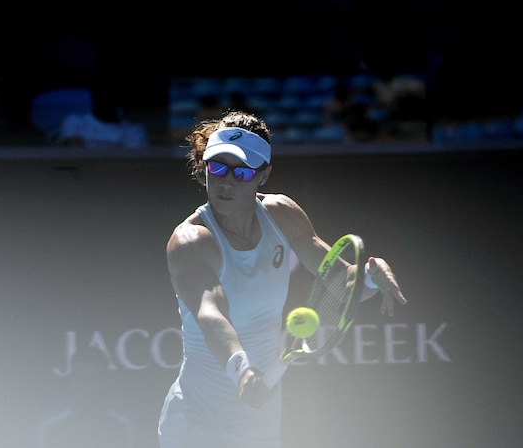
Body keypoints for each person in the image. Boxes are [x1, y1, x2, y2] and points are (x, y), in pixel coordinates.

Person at [157, 110, 407, 448]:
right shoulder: (191, 240)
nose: (226, 181)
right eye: (216, 167)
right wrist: (242, 371)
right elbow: (210, 313)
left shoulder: (283, 215)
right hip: (196, 420)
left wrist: (370, 277)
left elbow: (342, 282)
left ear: (264, 175)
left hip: (259, 419)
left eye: (242, 171)